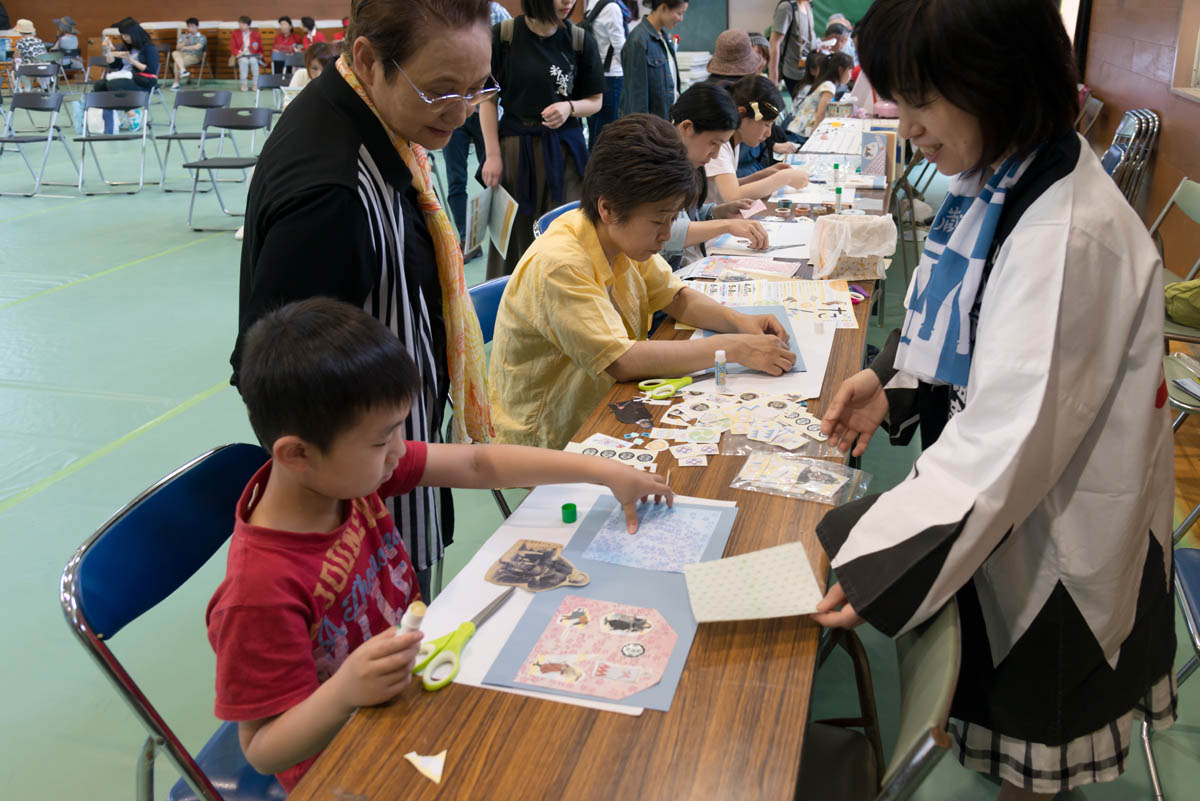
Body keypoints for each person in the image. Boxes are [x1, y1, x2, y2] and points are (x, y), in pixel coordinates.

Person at [812, 2, 1176, 799]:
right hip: (1020, 505)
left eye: (920, 99)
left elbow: (1009, 434)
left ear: (998, 81)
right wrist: (891, 380)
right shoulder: (1003, 176)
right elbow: (963, 316)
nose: (906, 126)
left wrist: (872, 558)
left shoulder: (1066, 233)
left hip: (1060, 533)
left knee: (1037, 746)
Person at [211, 297, 672, 792]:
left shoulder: (341, 476)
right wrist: (344, 692)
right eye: (381, 440)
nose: (398, 453)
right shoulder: (258, 590)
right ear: (297, 454)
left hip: (408, 686)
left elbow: (477, 465)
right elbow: (262, 750)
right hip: (344, 760)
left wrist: (605, 472)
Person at [233, 0, 500, 601]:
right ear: (367, 60)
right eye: (441, 90)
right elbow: (273, 377)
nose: (460, 113)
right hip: (360, 506)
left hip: (396, 460)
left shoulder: (380, 126)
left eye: (478, 88)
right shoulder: (331, 192)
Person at [488, 114, 796, 449]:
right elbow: (621, 361)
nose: (667, 234)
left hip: (609, 405)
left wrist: (740, 322)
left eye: (672, 218)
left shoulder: (620, 238)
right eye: (658, 221)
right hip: (554, 438)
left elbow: (675, 297)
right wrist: (735, 348)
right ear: (608, 209)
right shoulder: (561, 265)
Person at [479, 0, 605, 279]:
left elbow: (596, 100)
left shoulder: (579, 40)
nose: (567, 2)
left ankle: (567, 300)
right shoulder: (504, 35)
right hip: (515, 149)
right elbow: (488, 100)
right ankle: (511, 301)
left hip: (566, 151)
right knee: (514, 237)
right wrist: (492, 155)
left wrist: (569, 107)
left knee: (569, 231)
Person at [663, 83, 770, 268]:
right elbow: (667, 233)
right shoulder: (660, 166)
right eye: (714, 143)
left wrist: (717, 212)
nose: (715, 154)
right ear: (686, 127)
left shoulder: (687, 160)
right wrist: (726, 225)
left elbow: (686, 215)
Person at [444, 1, 512, 254]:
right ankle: (467, 240)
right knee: (456, 179)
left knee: (494, 176)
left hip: (486, 103)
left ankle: (499, 237)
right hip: (453, 104)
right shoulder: (443, 12)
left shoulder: (498, 13)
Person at [703, 76, 808, 203]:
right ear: (741, 113)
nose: (769, 134)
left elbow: (729, 186)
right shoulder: (720, 144)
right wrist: (785, 178)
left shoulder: (734, 142)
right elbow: (732, 196)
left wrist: (762, 175)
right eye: (766, 124)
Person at [618, 0, 686, 120]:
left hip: (666, 123)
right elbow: (636, 100)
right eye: (679, 13)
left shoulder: (664, 37)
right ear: (663, 7)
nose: (681, 19)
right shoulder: (638, 41)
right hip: (652, 130)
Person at [95, 18, 160, 130]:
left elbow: (151, 70)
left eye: (126, 35)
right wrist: (108, 50)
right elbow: (113, 65)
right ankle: (113, 119)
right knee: (99, 86)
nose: (124, 38)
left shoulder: (149, 48)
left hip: (142, 80)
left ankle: (132, 113)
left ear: (134, 34)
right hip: (124, 78)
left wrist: (131, 60)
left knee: (115, 84)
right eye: (123, 35)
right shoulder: (126, 47)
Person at [583, 0, 627, 146]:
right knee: (608, 134)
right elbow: (620, 46)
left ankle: (591, 166)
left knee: (595, 133)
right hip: (612, 76)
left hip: (594, 75)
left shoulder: (592, 3)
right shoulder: (612, 8)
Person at [787, 51, 852, 140]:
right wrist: (814, 138)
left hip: (797, 130)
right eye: (850, 70)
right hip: (800, 134)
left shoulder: (825, 83)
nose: (851, 75)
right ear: (840, 70)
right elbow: (820, 115)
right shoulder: (829, 86)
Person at [768, 0, 816, 100]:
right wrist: (773, 76)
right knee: (800, 107)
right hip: (793, 71)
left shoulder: (808, 6)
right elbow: (774, 43)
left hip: (809, 69)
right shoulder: (787, 7)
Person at [282, 41, 337, 108]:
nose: (319, 74)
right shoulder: (301, 75)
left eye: (325, 68)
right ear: (307, 66)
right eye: (314, 68)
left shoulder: (338, 81)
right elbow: (286, 107)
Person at [169, 17, 206, 91]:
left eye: (192, 26)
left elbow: (197, 47)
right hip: (182, 55)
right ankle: (183, 70)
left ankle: (176, 83)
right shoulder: (184, 36)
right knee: (174, 52)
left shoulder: (202, 37)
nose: (190, 28)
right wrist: (184, 42)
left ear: (197, 27)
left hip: (193, 56)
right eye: (188, 26)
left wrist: (185, 48)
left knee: (176, 63)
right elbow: (177, 47)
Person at [12, 19, 48, 91]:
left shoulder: (20, 42)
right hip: (43, 69)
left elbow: (16, 57)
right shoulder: (39, 40)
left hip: (28, 69)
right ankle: (45, 88)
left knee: (13, 71)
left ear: (20, 31)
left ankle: (23, 90)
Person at [231, 15, 263, 92]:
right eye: (240, 24)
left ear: (248, 25)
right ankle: (244, 84)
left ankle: (255, 84)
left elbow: (260, 48)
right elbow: (233, 47)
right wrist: (238, 53)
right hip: (241, 55)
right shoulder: (235, 33)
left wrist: (260, 54)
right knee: (243, 61)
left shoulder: (255, 34)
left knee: (253, 61)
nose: (241, 26)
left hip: (252, 54)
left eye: (243, 24)